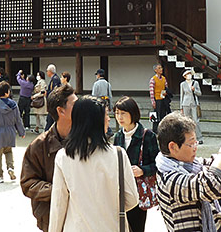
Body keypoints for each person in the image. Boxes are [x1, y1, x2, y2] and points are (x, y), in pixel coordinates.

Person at [49, 96, 138, 232]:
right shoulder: (118, 155)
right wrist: (107, 207)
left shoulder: (64, 156)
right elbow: (132, 199)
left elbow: (58, 205)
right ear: (95, 121)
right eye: (106, 115)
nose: (109, 119)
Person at [21, 84, 77, 232]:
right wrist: (59, 190)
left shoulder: (87, 141)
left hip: (81, 216)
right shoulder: (39, 146)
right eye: (75, 105)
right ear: (61, 110)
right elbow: (28, 183)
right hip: (50, 215)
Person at [113, 96, 160, 232]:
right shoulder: (118, 136)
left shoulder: (147, 136)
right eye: (117, 113)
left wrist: (142, 170)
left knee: (137, 226)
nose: (119, 117)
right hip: (120, 190)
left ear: (133, 114)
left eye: (123, 113)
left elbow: (157, 164)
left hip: (139, 192)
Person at [180, 68, 203, 144]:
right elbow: (182, 95)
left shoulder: (195, 83)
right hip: (185, 103)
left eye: (190, 74)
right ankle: (187, 138)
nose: (189, 75)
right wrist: (181, 107)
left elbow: (199, 93)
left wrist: (194, 90)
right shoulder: (182, 84)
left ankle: (199, 137)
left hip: (194, 103)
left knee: (195, 121)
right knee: (186, 121)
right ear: (184, 76)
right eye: (187, 74)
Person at [149, 63, 169, 133]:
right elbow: (151, 91)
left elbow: (166, 87)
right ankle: (155, 130)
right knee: (156, 115)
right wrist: (153, 101)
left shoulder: (164, 78)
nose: (161, 69)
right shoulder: (153, 79)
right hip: (157, 99)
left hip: (163, 98)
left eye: (161, 68)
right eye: (159, 68)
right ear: (155, 70)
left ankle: (162, 129)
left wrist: (166, 92)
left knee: (163, 114)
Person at [43, 64, 61, 131]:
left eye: (47, 71)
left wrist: (47, 93)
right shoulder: (54, 78)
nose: (47, 72)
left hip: (54, 102)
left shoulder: (55, 79)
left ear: (50, 71)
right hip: (53, 102)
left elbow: (54, 90)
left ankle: (47, 133)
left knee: (50, 119)